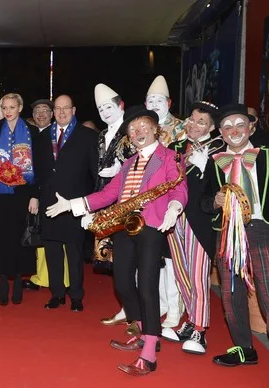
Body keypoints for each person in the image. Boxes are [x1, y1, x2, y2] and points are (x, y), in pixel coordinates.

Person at [47, 105, 187, 376]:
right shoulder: (128, 164)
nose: (138, 132)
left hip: (153, 226)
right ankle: (141, 330)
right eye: (133, 129)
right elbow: (109, 194)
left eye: (143, 126)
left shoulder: (170, 157)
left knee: (147, 286)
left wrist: (174, 208)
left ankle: (149, 352)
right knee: (122, 283)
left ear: (155, 129)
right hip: (125, 226)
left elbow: (178, 186)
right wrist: (75, 204)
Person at [201, 103, 269, 367]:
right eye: (227, 127)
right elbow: (202, 202)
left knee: (267, 290)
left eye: (240, 124)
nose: (234, 131)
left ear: (251, 126)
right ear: (220, 132)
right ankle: (244, 349)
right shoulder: (215, 162)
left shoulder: (265, 155)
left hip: (262, 229)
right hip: (227, 232)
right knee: (231, 293)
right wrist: (215, 201)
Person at [163, 101, 219, 354]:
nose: (194, 125)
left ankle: (200, 329)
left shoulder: (219, 150)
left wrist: (207, 166)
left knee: (198, 277)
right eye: (192, 120)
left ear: (212, 126)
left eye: (201, 122)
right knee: (182, 275)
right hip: (174, 220)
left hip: (200, 222)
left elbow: (220, 189)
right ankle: (189, 321)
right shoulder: (176, 147)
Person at [36, 94, 99, 311]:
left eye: (66, 108)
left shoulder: (88, 136)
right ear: (53, 112)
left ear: (74, 110)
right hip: (49, 202)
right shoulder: (43, 137)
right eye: (58, 109)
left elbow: (95, 173)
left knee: (73, 252)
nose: (61, 112)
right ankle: (57, 294)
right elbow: (38, 171)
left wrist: (91, 204)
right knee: (52, 250)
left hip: (74, 203)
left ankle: (76, 296)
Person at [0, 93, 39, 306]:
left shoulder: (32, 132)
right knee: (1, 237)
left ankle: (18, 279)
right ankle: (4, 279)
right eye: (4, 107)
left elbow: (39, 166)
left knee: (20, 238)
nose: (8, 111)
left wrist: (35, 195)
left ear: (20, 108)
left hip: (23, 194)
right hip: (0, 193)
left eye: (12, 107)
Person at [92, 84, 137, 333]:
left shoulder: (130, 131)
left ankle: (137, 315)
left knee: (130, 262)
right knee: (114, 260)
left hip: (128, 204)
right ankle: (127, 309)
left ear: (121, 106)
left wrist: (119, 170)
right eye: (100, 109)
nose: (104, 112)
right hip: (105, 202)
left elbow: (140, 164)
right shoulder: (101, 135)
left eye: (108, 107)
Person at [146, 75, 185, 328]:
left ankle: (174, 308)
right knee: (153, 258)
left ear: (169, 102)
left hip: (173, 200)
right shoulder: (143, 128)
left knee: (171, 259)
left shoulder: (182, 129)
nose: (155, 105)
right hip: (148, 204)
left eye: (159, 101)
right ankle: (159, 302)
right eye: (150, 101)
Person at [24, 98, 60, 291]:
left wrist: (36, 194)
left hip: (49, 193)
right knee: (37, 234)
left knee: (51, 237)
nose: (41, 114)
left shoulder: (55, 136)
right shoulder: (31, 135)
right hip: (33, 191)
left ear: (52, 114)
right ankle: (39, 276)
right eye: (37, 110)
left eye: (45, 110)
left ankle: (49, 278)